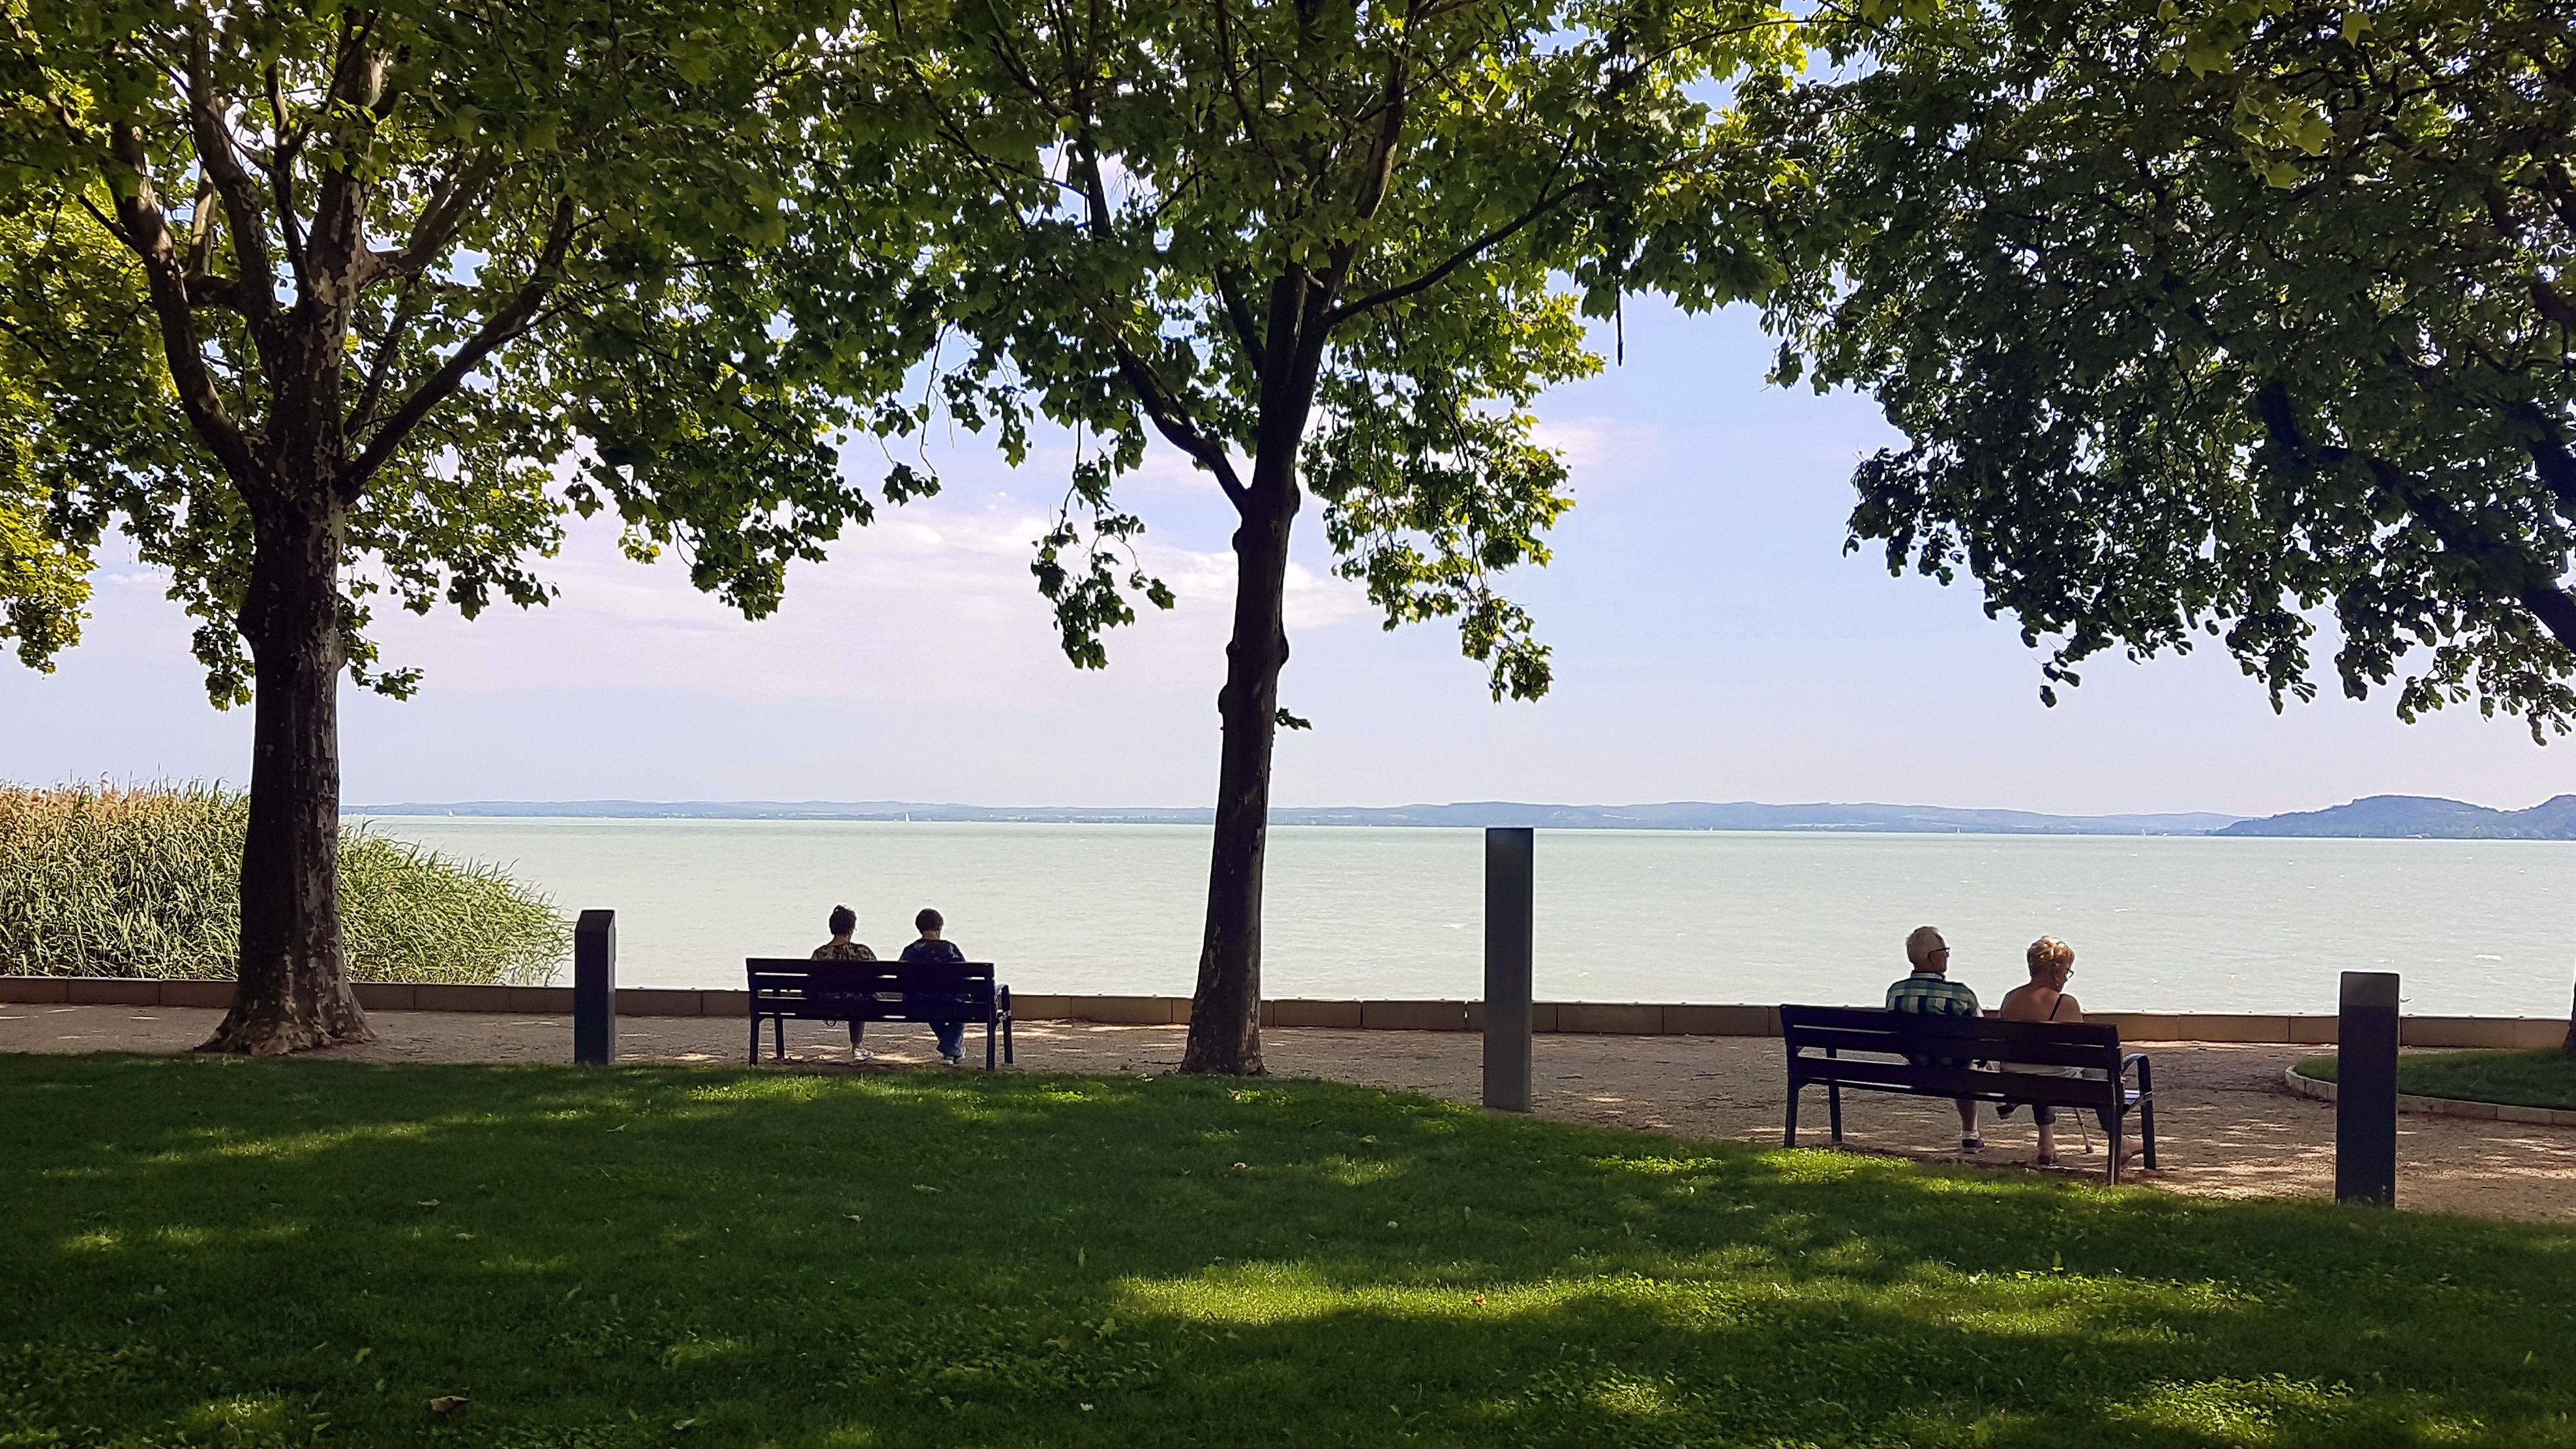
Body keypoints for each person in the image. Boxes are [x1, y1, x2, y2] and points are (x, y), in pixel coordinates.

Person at [1996, 934, 2116, 1167]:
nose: (2066, 978)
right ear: (2056, 971)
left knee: (2042, 1067)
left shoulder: (2010, 998)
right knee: (2095, 1071)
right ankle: (2116, 1140)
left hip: (2013, 1079)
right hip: (2057, 1079)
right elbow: (2085, 1048)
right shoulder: (2065, 1003)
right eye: (2067, 972)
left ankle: (2046, 1142)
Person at [1887, 925, 1983, 1153]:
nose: (1947, 955)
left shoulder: (1896, 993)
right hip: (1956, 1073)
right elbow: (1980, 1033)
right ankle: (1970, 1133)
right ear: (1933, 957)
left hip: (1917, 1068)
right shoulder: (1961, 994)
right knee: (1967, 1067)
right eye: (1945, 950)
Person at [901, 907, 969, 1066]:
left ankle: (952, 1051)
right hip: (950, 1003)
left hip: (917, 1004)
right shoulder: (950, 949)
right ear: (939, 928)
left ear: (919, 929)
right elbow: (966, 977)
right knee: (961, 1010)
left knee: (930, 1006)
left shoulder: (910, 951)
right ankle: (952, 1050)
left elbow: (901, 979)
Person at [811, 904, 880, 1062]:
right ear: (851, 929)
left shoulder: (820, 954)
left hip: (825, 1004)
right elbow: (877, 978)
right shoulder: (863, 952)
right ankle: (857, 1046)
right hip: (859, 1003)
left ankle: (857, 1046)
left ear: (831, 928)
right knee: (859, 995)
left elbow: (812, 983)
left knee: (855, 994)